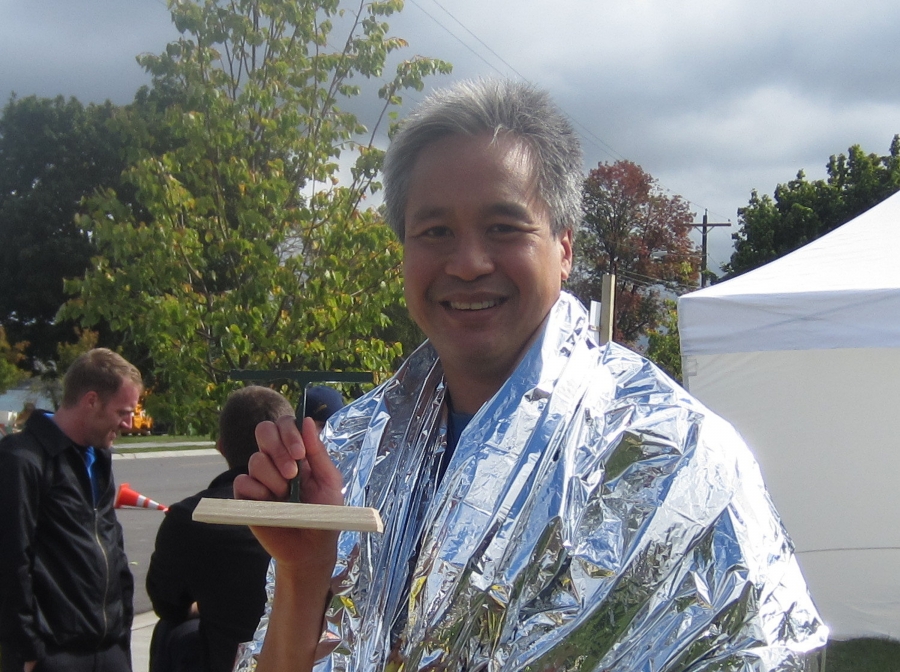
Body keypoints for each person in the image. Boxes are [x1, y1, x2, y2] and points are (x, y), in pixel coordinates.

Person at [233, 79, 828, 671]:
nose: (467, 263)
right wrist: (303, 570)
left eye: (504, 227)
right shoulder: (345, 453)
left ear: (564, 246)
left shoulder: (681, 456)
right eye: (435, 231)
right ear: (404, 251)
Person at [146, 386, 342, 672]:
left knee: (171, 633)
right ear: (292, 441)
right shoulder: (331, 515)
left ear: (221, 447)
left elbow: (167, 605)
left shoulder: (192, 518)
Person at [0, 348, 142, 672]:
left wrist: (121, 635)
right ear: (91, 400)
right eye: (123, 411)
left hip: (108, 650)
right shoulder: (22, 460)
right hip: (52, 654)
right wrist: (27, 649)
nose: (130, 423)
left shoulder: (98, 458)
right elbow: (10, 559)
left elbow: (111, 545)